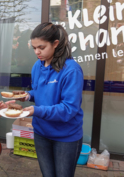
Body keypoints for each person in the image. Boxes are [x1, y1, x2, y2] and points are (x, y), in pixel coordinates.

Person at [22, 22, 84, 177]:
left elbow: (69, 109)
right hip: (41, 133)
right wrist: (29, 95)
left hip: (66, 136)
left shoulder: (71, 70)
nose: (37, 52)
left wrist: (36, 110)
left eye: (41, 47)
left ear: (55, 44)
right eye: (34, 47)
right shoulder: (37, 66)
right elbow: (42, 91)